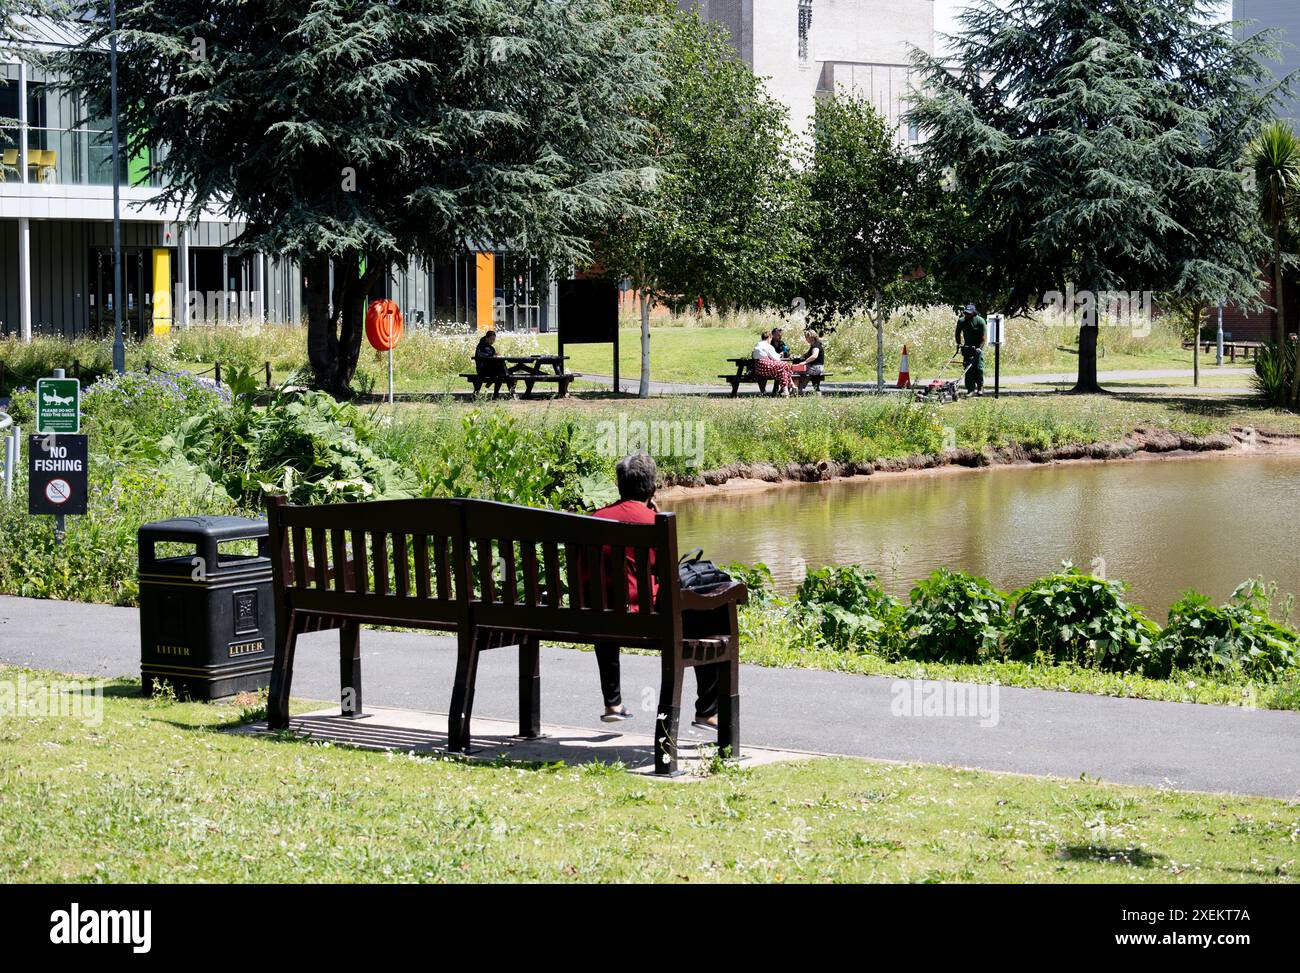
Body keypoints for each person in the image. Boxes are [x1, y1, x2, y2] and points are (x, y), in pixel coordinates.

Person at [586, 453, 720, 728]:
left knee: (608, 603)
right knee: (711, 613)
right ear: (653, 490)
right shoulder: (653, 523)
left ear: (618, 486)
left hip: (597, 616)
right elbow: (668, 576)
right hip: (646, 618)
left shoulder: (593, 519)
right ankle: (706, 710)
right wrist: (654, 516)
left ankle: (613, 702)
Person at [955, 304, 986, 396]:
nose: (966, 315)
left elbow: (983, 338)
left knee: (978, 368)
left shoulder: (980, 321)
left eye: (969, 313)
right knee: (968, 368)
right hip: (967, 347)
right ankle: (970, 389)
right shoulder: (961, 321)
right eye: (965, 313)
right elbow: (957, 333)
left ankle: (980, 387)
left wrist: (979, 348)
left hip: (977, 348)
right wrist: (959, 344)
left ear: (973, 313)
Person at [752, 331, 794, 397]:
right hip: (765, 367)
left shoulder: (757, 345)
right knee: (785, 365)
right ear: (769, 337)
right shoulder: (768, 346)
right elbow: (776, 358)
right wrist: (780, 354)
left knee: (782, 372)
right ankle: (791, 383)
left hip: (758, 368)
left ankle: (786, 392)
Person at [791, 329, 824, 393]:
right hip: (816, 367)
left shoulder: (815, 345)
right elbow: (808, 354)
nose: (806, 339)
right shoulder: (815, 345)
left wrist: (805, 362)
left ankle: (795, 389)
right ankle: (799, 389)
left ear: (810, 337)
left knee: (795, 370)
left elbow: (814, 356)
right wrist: (803, 356)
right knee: (800, 371)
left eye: (806, 337)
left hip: (816, 368)